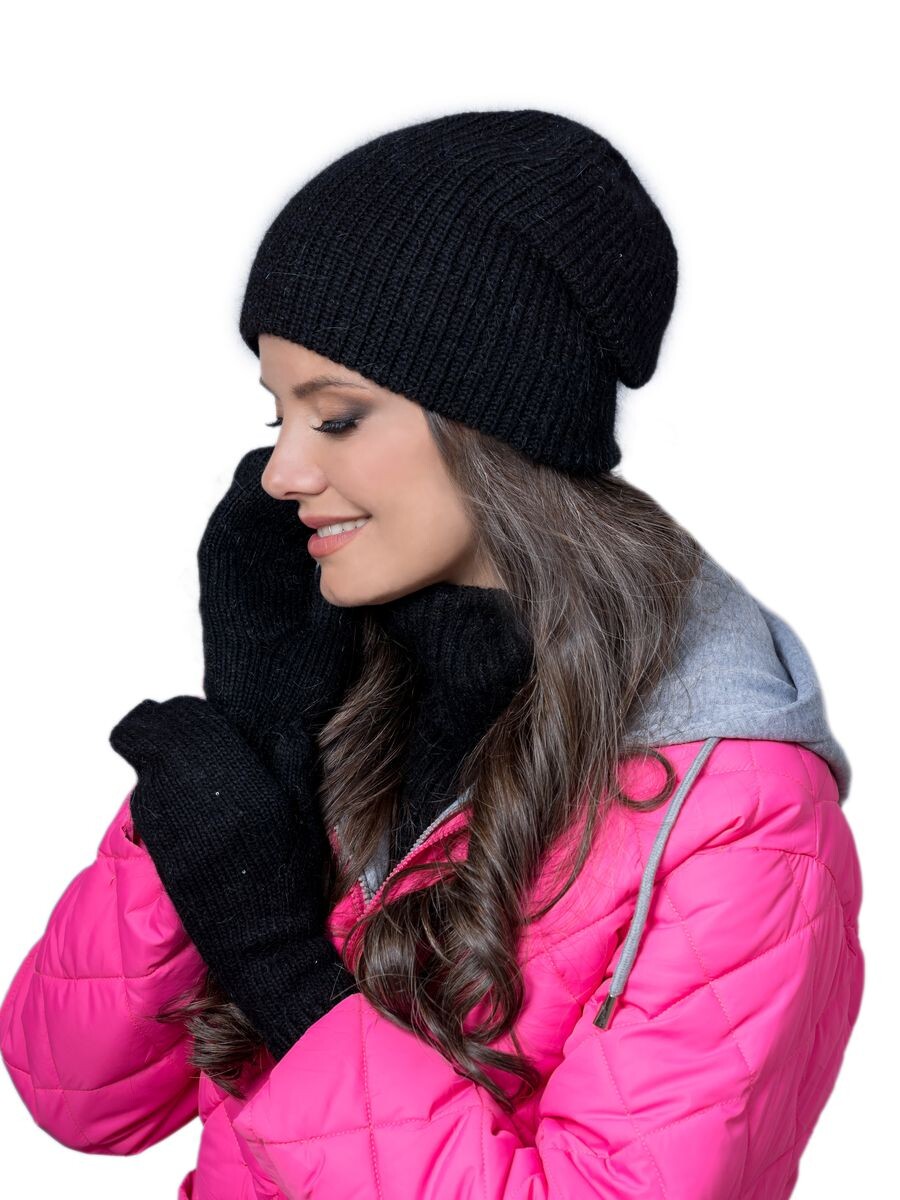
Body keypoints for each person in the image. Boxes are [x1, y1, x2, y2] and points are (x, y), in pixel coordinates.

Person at [0, 109, 863, 1198]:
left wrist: (287, 975)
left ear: (495, 428)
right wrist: (251, 745)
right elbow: (78, 1093)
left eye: (337, 418)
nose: (281, 474)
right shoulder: (335, 686)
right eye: (277, 419)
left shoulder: (736, 810)